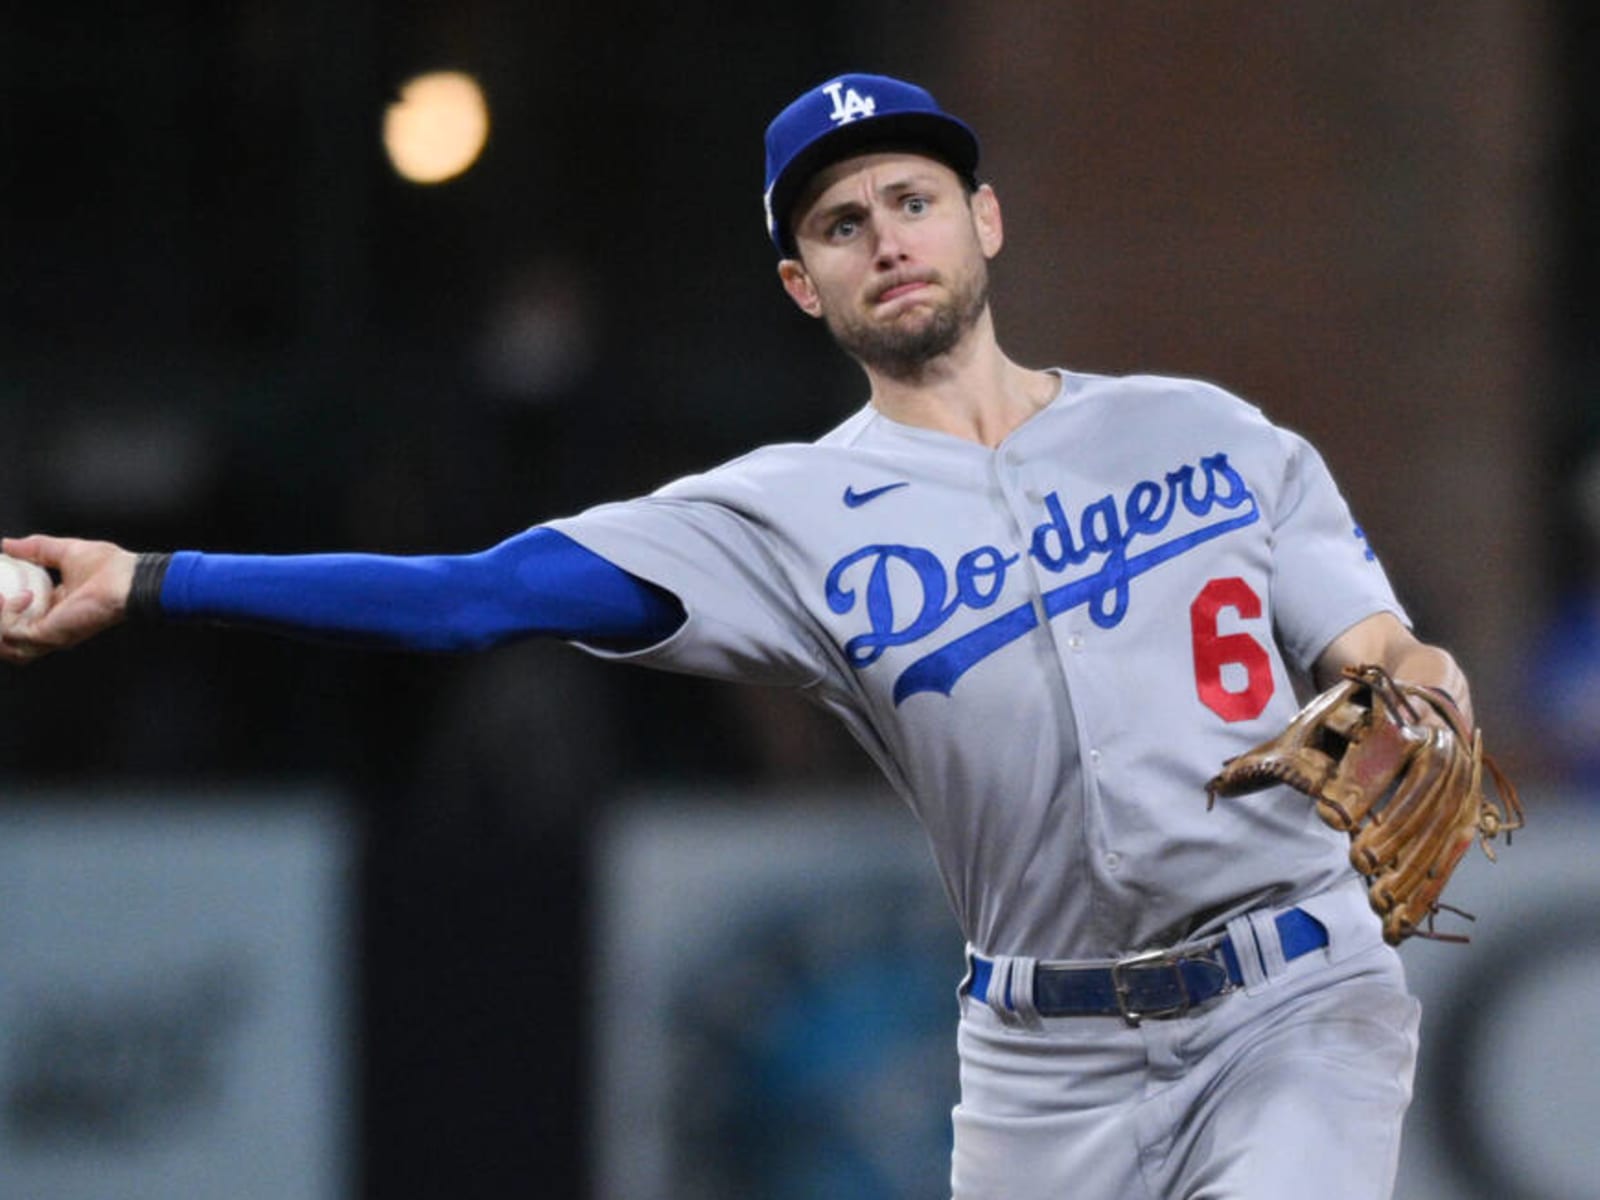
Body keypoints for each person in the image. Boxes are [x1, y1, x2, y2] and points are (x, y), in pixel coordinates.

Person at [1, 73, 1472, 1199]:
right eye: (841, 224)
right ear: (802, 286)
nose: (885, 237)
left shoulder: (1205, 431)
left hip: (1293, 993)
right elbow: (472, 595)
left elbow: (1375, 651)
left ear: (986, 219)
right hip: (1042, 1059)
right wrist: (151, 577)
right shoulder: (779, 516)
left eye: (912, 196)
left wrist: (1409, 684)